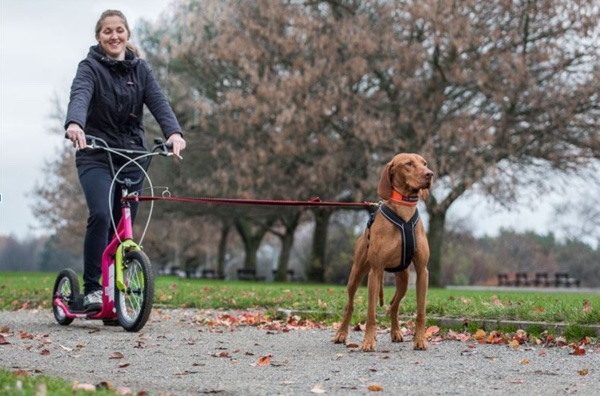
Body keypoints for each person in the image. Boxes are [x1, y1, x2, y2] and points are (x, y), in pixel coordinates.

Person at [64, 10, 186, 311]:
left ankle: (116, 286)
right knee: (102, 216)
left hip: (132, 155)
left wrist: (174, 133)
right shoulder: (89, 67)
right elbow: (80, 95)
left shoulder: (140, 70)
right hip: (96, 153)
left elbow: (158, 101)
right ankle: (93, 288)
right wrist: (75, 124)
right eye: (108, 31)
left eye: (119, 30)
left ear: (127, 35)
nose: (114, 36)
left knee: (124, 224)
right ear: (98, 36)